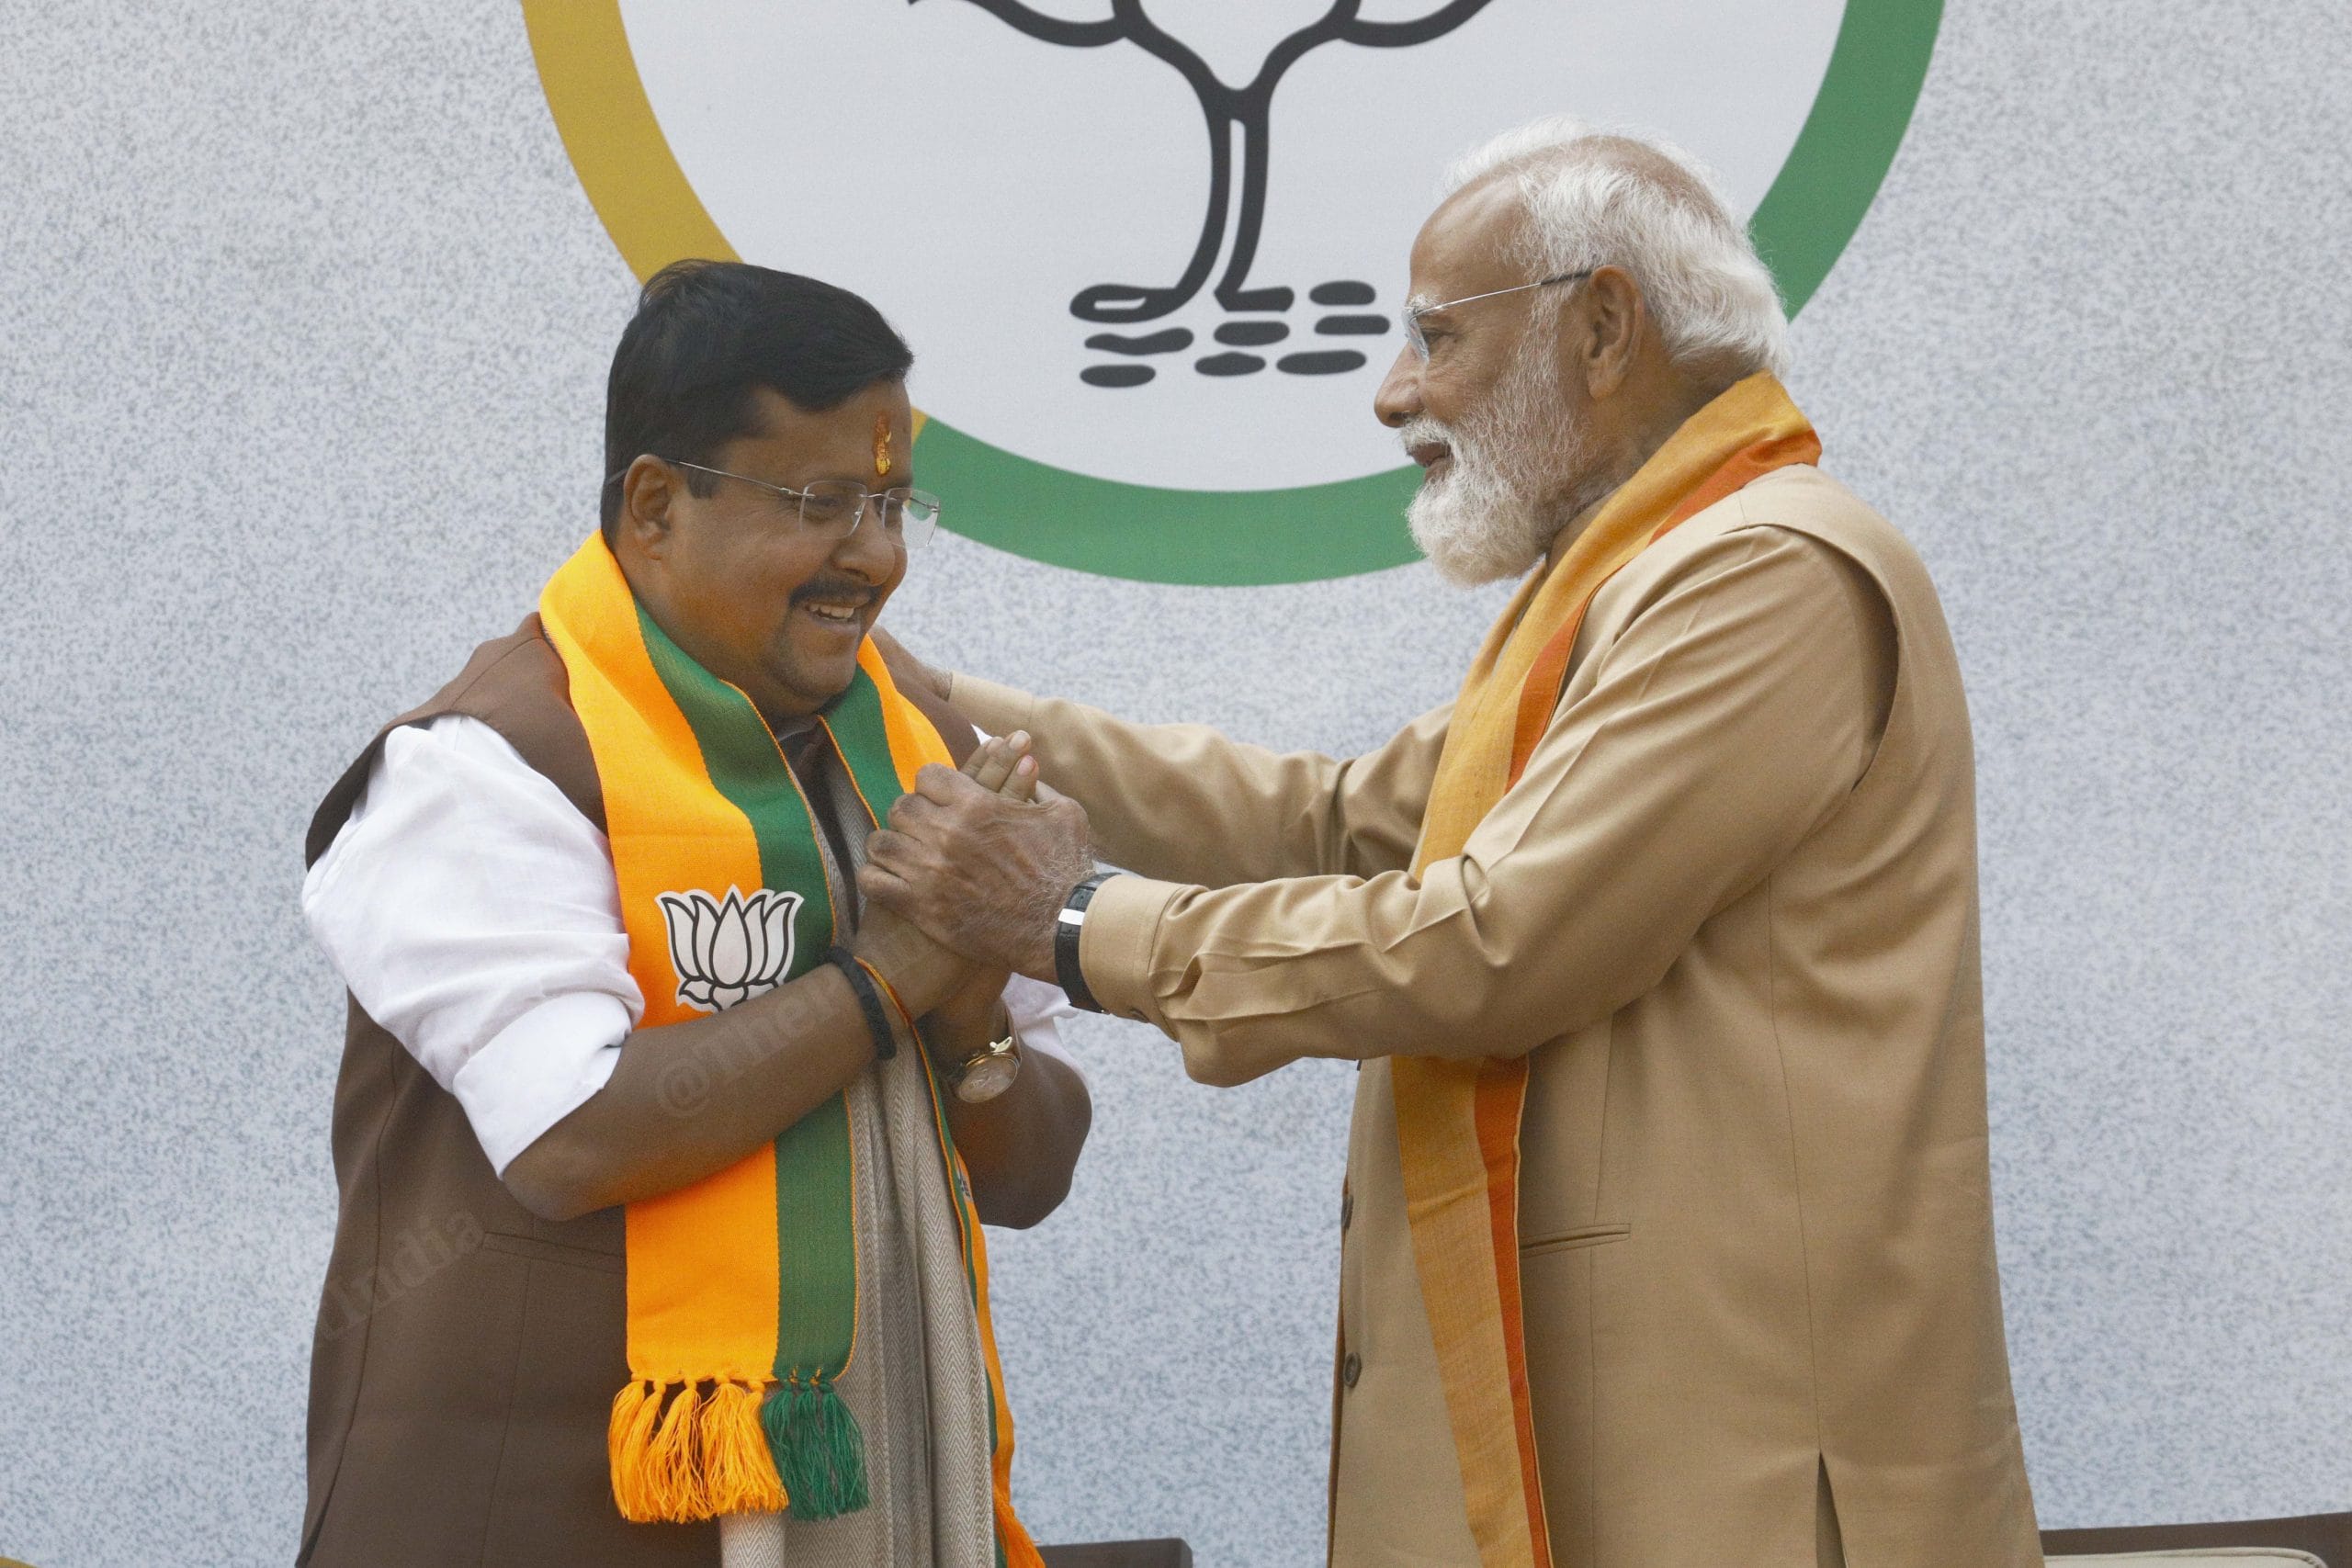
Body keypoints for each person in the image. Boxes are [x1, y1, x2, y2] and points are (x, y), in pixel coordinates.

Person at [862, 118, 2044, 1567]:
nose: (1395, 395)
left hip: (1724, 1478)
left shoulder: (1763, 573)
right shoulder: (1625, 583)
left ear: (1603, 325)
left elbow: (1498, 941)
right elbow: (1336, 820)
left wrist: (1070, 921)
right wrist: (929, 704)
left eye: (1433, 337)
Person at [298, 260, 1089, 1568]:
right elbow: (573, 1137)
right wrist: (895, 973)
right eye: (820, 503)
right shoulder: (483, 764)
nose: (876, 560)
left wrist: (965, 1014)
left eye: (893, 505)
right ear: (656, 506)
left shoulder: (926, 755)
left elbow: (1035, 1174)